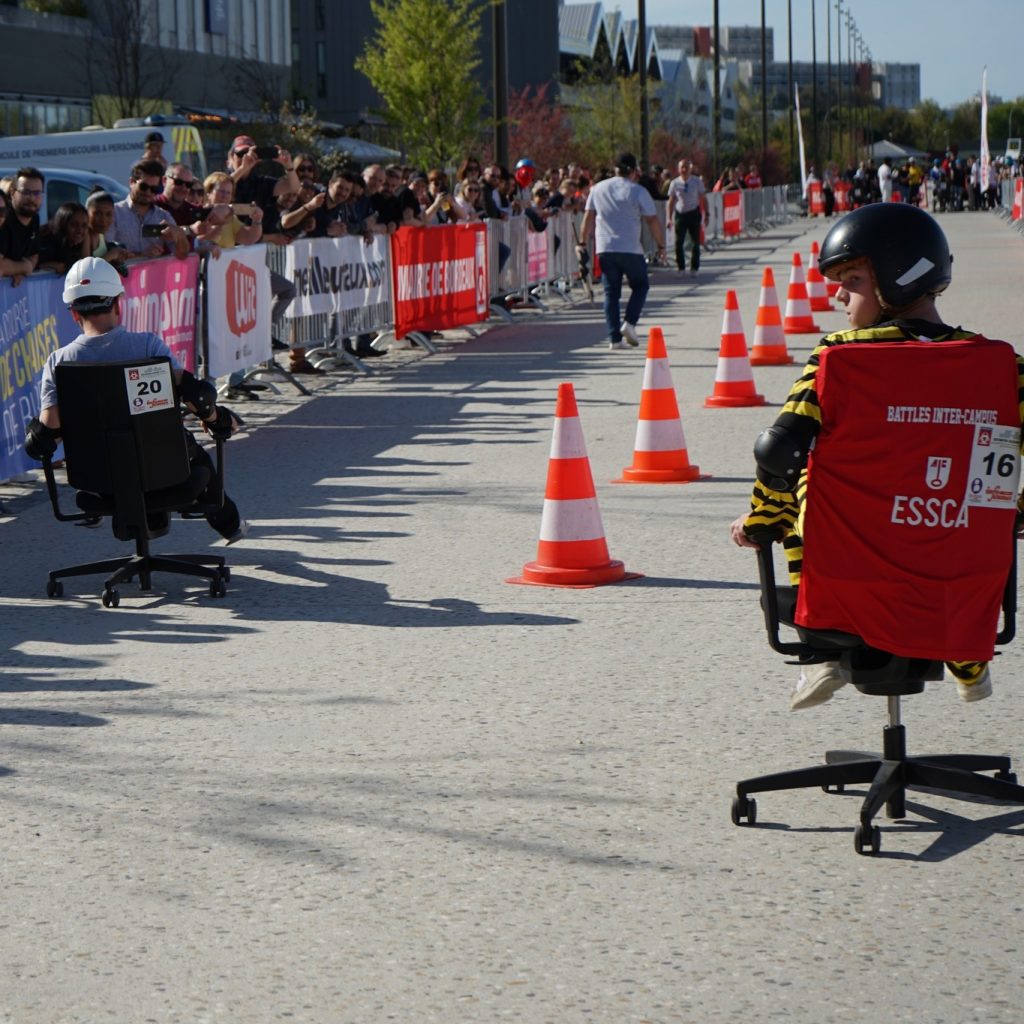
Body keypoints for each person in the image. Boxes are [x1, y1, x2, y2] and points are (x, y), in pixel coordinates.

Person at [729, 203, 1021, 708]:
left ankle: (822, 653)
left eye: (853, 278)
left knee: (806, 485)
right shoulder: (1002, 367)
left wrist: (762, 520)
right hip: (961, 597)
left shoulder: (840, 359)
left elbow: (779, 450)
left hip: (848, 596)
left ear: (899, 277)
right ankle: (967, 661)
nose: (837, 294)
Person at [24, 257, 248, 544]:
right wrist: (217, 419)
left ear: (73, 313)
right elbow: (196, 395)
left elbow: (46, 435)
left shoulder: (59, 362)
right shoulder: (146, 347)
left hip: (97, 482)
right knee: (196, 453)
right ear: (118, 304)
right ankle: (229, 524)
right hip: (164, 472)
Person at [579, 151, 666, 350]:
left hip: (605, 247)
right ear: (634, 171)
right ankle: (630, 322)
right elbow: (652, 220)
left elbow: (588, 217)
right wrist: (661, 245)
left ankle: (614, 338)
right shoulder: (638, 191)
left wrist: (582, 243)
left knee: (611, 293)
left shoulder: (597, 189)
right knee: (641, 285)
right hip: (631, 248)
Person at [110, 159, 189, 260]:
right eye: (143, 186)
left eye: (154, 189)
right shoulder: (114, 213)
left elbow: (182, 255)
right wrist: (142, 255)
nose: (148, 192)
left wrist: (180, 235)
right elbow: (109, 254)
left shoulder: (163, 216)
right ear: (131, 182)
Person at [0, 166, 44, 283]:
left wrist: (18, 271)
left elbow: (34, 257)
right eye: (26, 192)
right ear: (13, 193)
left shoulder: (34, 218)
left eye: (37, 193)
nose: (31, 198)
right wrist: (25, 267)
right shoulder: (3, 220)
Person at [666, 158, 706, 276]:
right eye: (682, 167)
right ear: (678, 169)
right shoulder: (674, 183)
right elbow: (671, 201)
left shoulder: (697, 181)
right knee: (679, 242)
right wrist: (669, 218)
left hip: (693, 213)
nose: (684, 170)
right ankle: (681, 267)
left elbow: (703, 197)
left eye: (686, 167)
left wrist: (707, 214)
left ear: (690, 168)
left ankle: (694, 267)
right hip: (680, 214)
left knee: (695, 242)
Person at [36, 201, 89, 274]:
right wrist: (48, 265)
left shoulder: (77, 244)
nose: (80, 230)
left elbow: (87, 267)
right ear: (62, 225)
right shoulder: (46, 243)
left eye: (84, 225)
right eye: (73, 225)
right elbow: (30, 266)